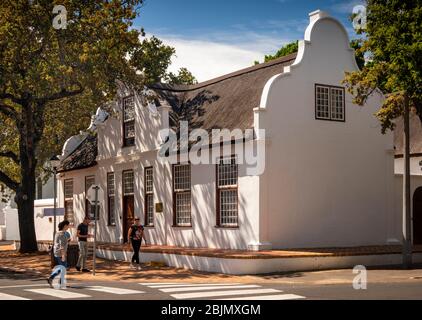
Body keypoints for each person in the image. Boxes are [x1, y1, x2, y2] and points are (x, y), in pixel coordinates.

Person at [47, 220, 70, 288]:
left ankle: (51, 278)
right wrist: (63, 255)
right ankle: (61, 282)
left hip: (56, 252)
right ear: (65, 226)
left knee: (61, 268)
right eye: (68, 225)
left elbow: (59, 242)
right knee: (63, 268)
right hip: (60, 253)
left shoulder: (58, 233)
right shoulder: (62, 234)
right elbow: (61, 245)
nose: (68, 226)